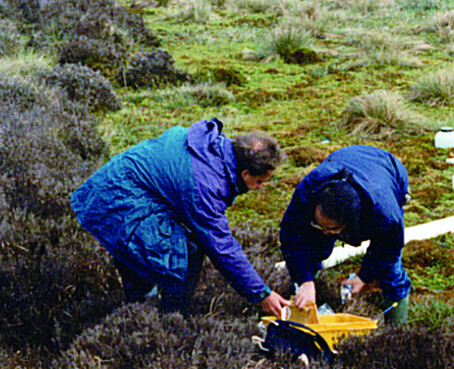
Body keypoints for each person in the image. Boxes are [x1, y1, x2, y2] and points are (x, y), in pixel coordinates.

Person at [70, 117, 290, 317]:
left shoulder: (210, 146)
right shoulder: (206, 185)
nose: (260, 188)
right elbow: (221, 247)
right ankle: (169, 318)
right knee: (189, 250)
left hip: (114, 187)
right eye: (260, 181)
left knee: (158, 245)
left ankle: (138, 307)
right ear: (245, 174)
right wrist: (261, 295)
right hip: (120, 201)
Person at [279, 145, 410, 324]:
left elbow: (388, 248)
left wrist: (364, 277)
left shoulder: (385, 213)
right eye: (319, 224)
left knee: (391, 272)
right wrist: (304, 280)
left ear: (348, 224)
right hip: (344, 159)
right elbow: (291, 235)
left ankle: (398, 331)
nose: (325, 232)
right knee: (313, 247)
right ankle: (306, 297)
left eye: (332, 229)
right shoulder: (308, 190)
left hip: (387, 169)